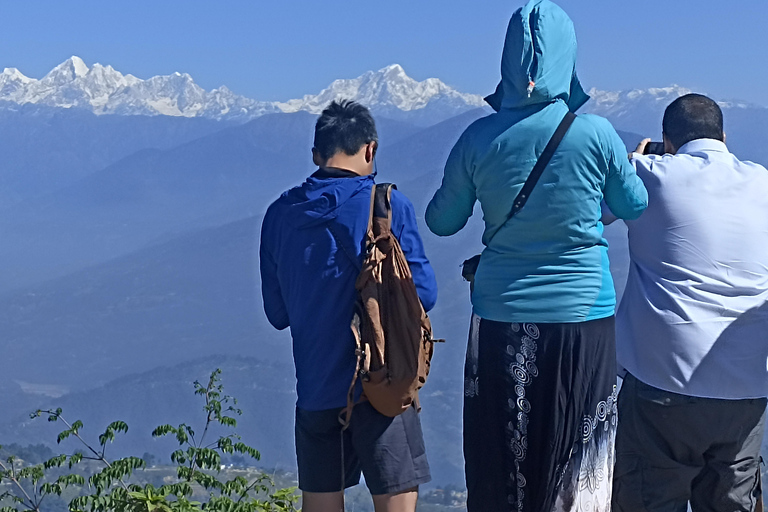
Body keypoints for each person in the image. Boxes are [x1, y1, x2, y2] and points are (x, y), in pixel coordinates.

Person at [424, 1, 648, 510]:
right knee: (578, 460)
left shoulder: (478, 138)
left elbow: (442, 221)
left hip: (502, 316)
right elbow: (633, 204)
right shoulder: (595, 134)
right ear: (569, 59)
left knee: (503, 459)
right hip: (583, 321)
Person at [259, 99, 437, 512]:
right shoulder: (387, 208)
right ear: (370, 150)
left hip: (317, 390)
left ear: (316, 155)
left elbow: (277, 313)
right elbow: (422, 295)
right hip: (382, 386)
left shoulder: (279, 214)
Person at [609, 93, 768, 512]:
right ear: (725, 137)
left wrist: (630, 161)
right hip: (748, 384)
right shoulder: (763, 182)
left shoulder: (649, 173)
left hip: (664, 378)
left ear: (668, 140)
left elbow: (597, 206)